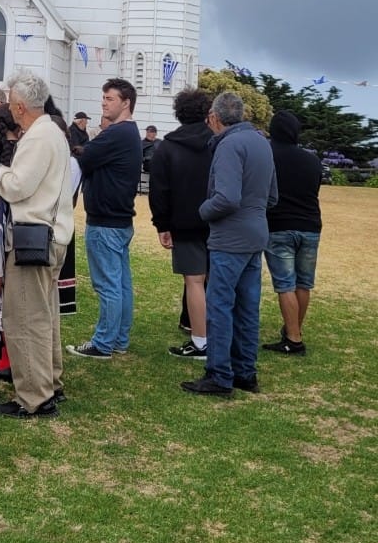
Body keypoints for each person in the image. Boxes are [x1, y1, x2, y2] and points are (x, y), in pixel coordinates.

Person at [182, 92, 277, 397]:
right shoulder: (261, 142)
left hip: (230, 238)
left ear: (214, 117)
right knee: (248, 307)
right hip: (255, 234)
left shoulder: (229, 145)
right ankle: (245, 372)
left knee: (220, 307)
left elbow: (226, 198)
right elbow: (272, 197)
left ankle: (220, 375)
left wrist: (202, 211)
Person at [0, 72, 74, 418]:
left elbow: (17, 187)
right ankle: (49, 382)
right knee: (44, 314)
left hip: (35, 234)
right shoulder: (51, 132)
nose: (10, 110)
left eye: (12, 104)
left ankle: (34, 396)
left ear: (21, 106)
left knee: (24, 316)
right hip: (51, 234)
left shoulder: (39, 137)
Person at [67, 78, 142, 359]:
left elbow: (85, 157)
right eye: (104, 98)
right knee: (120, 282)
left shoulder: (118, 133)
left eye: (110, 98)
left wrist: (79, 150)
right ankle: (118, 338)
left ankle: (104, 343)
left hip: (106, 222)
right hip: (118, 220)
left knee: (108, 284)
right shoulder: (127, 133)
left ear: (126, 103)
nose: (104, 103)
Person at [149, 89, 214, 360]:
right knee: (216, 280)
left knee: (194, 281)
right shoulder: (219, 143)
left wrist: (162, 224)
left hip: (185, 222)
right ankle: (213, 337)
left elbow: (159, 190)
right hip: (217, 220)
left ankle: (200, 341)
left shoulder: (167, 147)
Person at [262, 110, 322, 356]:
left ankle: (294, 338)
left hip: (279, 225)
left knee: (285, 284)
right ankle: (293, 330)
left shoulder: (268, 156)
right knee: (303, 283)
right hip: (310, 225)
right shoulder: (312, 160)